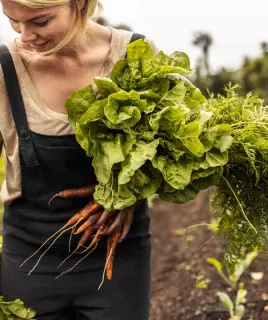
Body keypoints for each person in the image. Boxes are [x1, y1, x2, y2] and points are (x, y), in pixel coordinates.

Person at [0, 0, 158, 319]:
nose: (25, 34)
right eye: (13, 21)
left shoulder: (136, 55)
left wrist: (128, 193)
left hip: (117, 256)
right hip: (28, 258)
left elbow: (173, 152)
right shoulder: (5, 69)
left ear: (80, 4)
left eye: (40, 22)